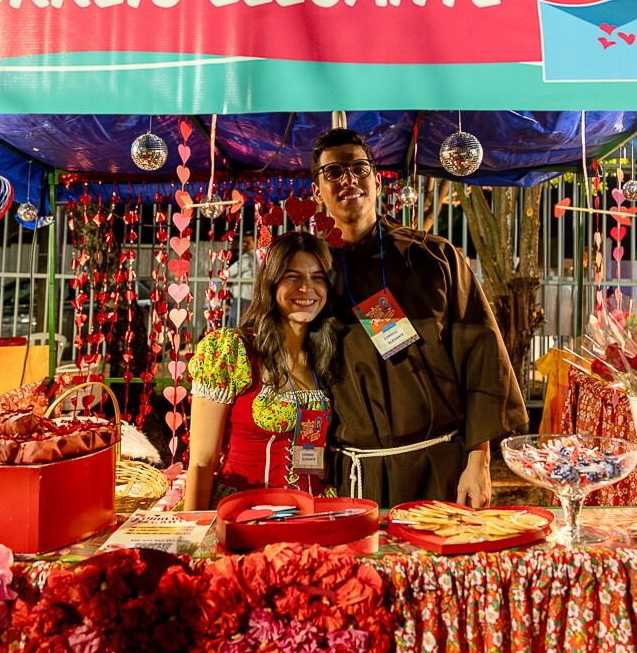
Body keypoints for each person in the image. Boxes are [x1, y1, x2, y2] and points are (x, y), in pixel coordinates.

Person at [311, 128, 529, 509]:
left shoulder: (435, 258)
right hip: (351, 478)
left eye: (359, 168)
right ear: (317, 192)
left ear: (377, 181)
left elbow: (482, 358)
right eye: (333, 172)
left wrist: (480, 460)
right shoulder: (309, 275)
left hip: (439, 468)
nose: (348, 179)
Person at [183, 232, 340, 510]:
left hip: (312, 513)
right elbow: (201, 462)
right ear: (270, 282)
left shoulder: (327, 355)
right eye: (292, 276)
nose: (307, 289)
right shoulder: (232, 350)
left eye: (317, 277)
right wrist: (193, 533)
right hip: (244, 513)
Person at [225, 234, 257, 327]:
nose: (245, 244)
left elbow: (229, 272)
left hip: (242, 297)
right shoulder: (259, 257)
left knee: (234, 325)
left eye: (248, 241)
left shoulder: (248, 257)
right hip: (251, 297)